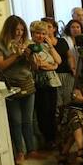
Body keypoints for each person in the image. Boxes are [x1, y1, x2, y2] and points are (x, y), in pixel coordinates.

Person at [0, 15, 38, 164]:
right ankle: (19, 151)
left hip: (27, 84)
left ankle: (31, 150)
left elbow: (35, 67)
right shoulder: (0, 45)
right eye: (16, 30)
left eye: (22, 30)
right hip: (11, 86)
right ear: (9, 30)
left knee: (28, 120)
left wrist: (30, 56)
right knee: (16, 121)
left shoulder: (27, 43)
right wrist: (15, 55)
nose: (19, 33)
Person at [29, 20, 62, 148]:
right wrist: (53, 66)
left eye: (43, 33)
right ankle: (47, 139)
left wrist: (51, 47)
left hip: (52, 83)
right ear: (32, 33)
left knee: (52, 111)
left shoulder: (46, 46)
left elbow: (58, 60)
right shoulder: (31, 47)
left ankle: (53, 138)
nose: (41, 36)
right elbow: (39, 66)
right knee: (43, 112)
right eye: (38, 33)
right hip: (40, 83)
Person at [49, 18, 75, 107]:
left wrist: (72, 67)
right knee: (57, 102)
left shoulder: (62, 41)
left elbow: (69, 56)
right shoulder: (42, 43)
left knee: (68, 98)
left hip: (66, 73)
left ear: (54, 28)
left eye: (49, 27)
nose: (47, 29)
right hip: (53, 74)